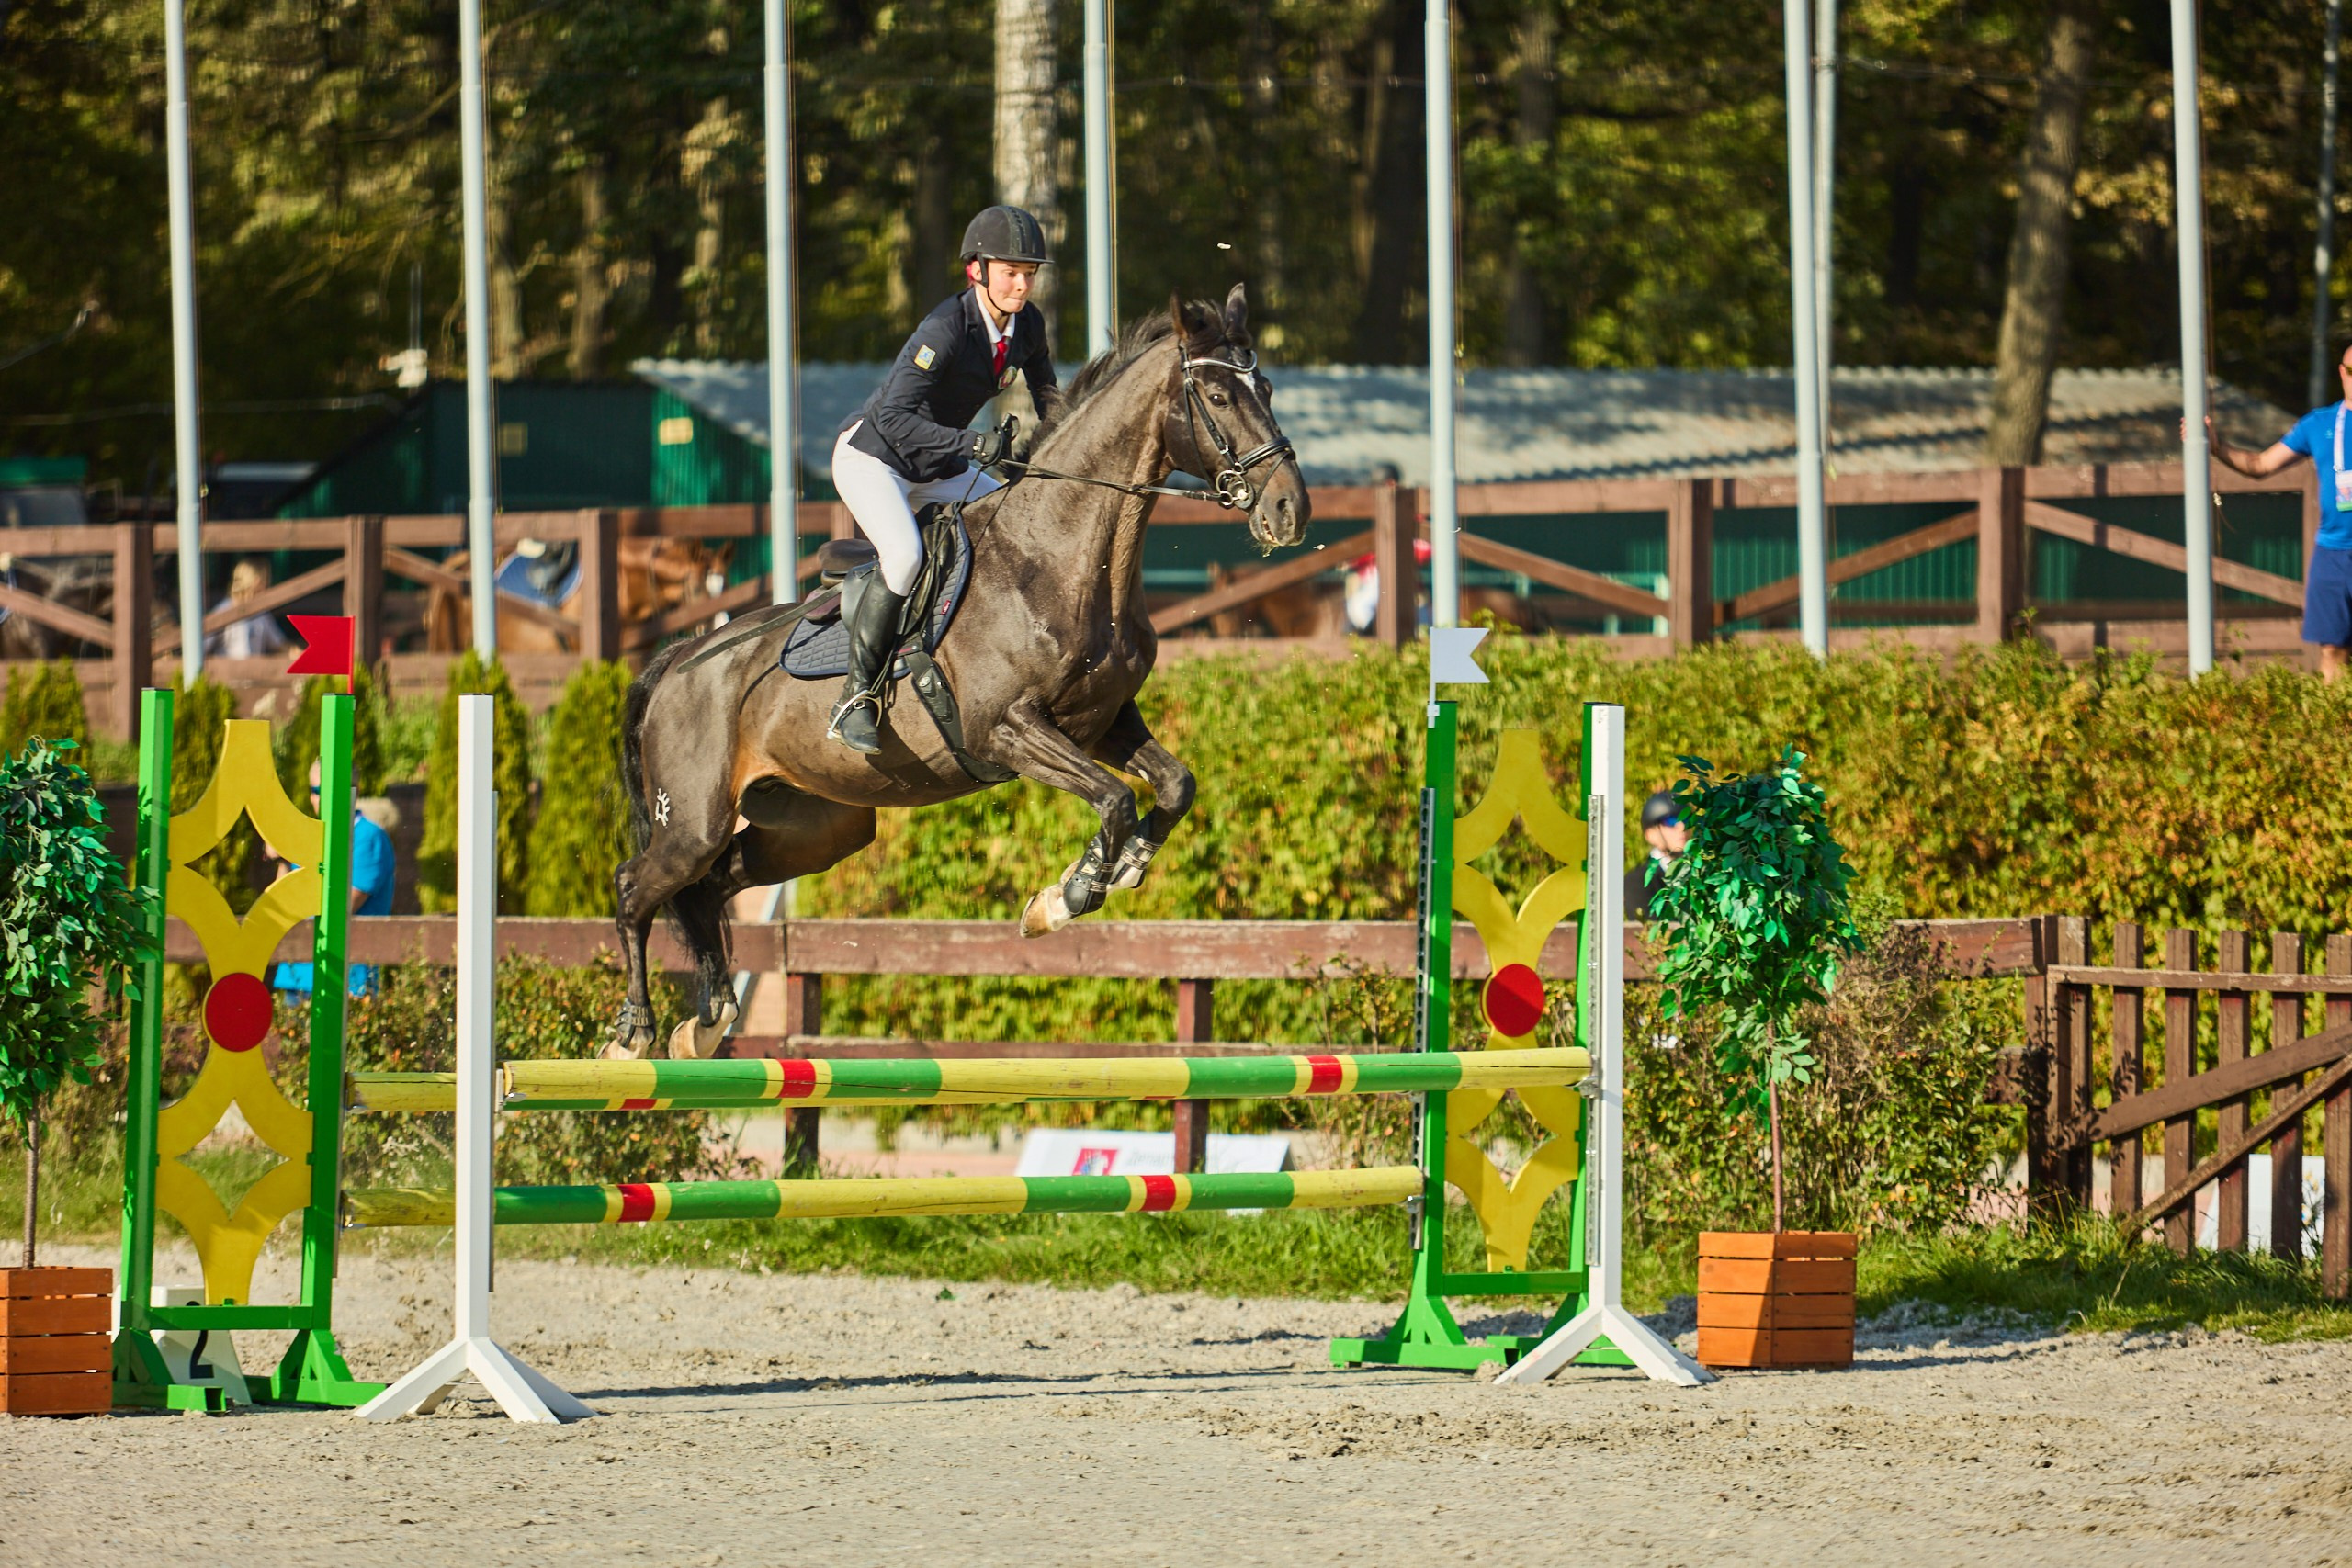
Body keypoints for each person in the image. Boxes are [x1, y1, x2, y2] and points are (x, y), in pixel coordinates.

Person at [826, 204, 1062, 752]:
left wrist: (1051, 453)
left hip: (937, 466)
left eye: (1029, 273)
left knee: (1012, 521)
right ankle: (855, 698)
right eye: (1010, 272)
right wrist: (973, 445)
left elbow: (1049, 397)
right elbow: (893, 419)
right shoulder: (946, 328)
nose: (1022, 285)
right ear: (976, 270)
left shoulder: (1027, 325)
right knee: (905, 556)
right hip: (875, 460)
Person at [2201, 351, 2352, 682]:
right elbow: (2260, 465)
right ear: (2342, 372)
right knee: (2331, 649)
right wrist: (2217, 446)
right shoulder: (2319, 423)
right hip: (2333, 553)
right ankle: (2335, 712)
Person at [269, 761, 398, 998]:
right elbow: (279, 908)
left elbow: (339, 910)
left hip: (347, 983)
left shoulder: (369, 838)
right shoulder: (306, 838)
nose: (323, 798)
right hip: (295, 976)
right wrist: (283, 859)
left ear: (355, 792)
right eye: (317, 791)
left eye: (333, 791)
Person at [204, 558, 293, 661]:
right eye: (266, 580)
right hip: (227, 671)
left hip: (255, 671)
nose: (268, 586)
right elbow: (202, 647)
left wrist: (295, 653)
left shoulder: (262, 613)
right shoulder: (223, 611)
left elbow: (279, 644)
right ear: (257, 581)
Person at [1624, 790, 1690, 920]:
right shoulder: (1637, 881)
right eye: (1671, 821)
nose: (1682, 827)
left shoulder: (1707, 872)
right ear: (1651, 834)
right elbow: (1647, 928)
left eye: (1686, 818)